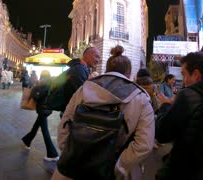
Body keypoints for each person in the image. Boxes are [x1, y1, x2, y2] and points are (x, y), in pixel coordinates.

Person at [52, 45, 155, 180]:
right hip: (112, 173)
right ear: (129, 73)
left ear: (106, 70)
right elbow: (144, 145)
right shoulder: (141, 98)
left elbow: (65, 125)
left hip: (72, 171)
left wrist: (71, 153)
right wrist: (117, 168)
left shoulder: (84, 89)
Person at [156, 52, 203, 179]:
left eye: (184, 75)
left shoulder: (187, 95)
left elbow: (162, 134)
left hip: (184, 170)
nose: (183, 80)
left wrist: (165, 108)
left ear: (196, 75)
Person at [21, 70, 59, 161]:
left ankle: (52, 154)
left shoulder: (43, 84)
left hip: (43, 109)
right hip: (47, 108)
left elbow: (38, 96)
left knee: (45, 131)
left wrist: (34, 90)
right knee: (36, 126)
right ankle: (27, 140)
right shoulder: (51, 83)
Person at [60, 47, 100, 115]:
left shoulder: (82, 68)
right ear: (87, 55)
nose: (98, 60)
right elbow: (83, 94)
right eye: (96, 56)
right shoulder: (79, 69)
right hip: (72, 112)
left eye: (99, 58)